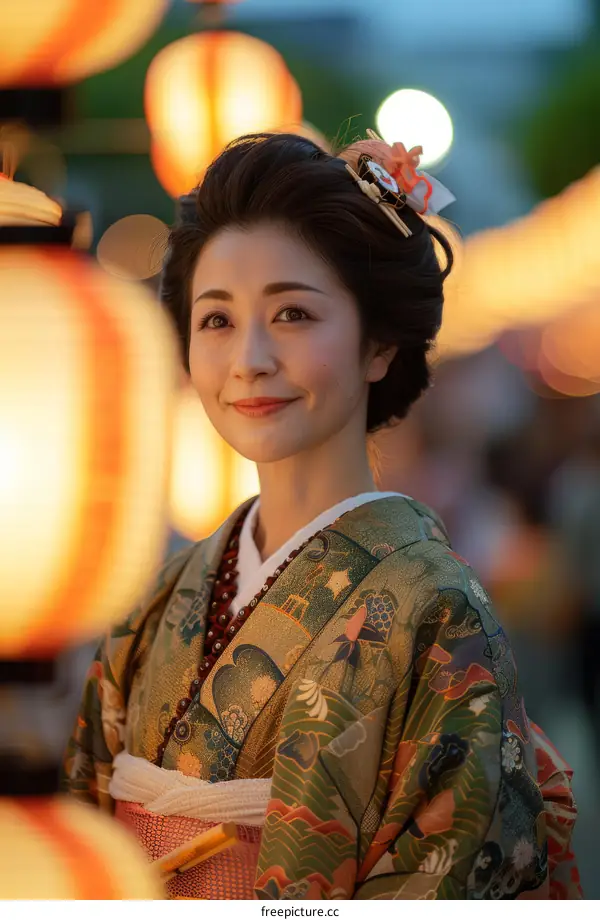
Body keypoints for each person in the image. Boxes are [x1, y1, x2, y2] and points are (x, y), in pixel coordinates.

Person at [63, 132, 582, 899]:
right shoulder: (159, 596)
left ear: (378, 344)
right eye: (216, 320)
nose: (250, 358)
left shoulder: (435, 609)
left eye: (295, 314)